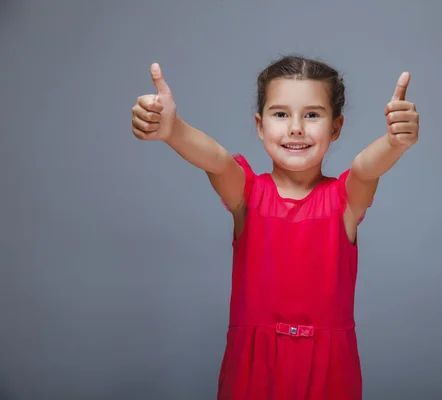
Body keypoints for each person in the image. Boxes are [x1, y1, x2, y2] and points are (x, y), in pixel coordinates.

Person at [131, 55, 419, 399]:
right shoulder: (248, 195)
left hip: (329, 374)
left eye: (312, 114)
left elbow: (364, 169)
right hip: (252, 371)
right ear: (259, 124)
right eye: (281, 114)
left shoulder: (344, 200)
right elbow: (217, 160)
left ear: (336, 127)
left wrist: (394, 143)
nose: (296, 127)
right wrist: (173, 130)